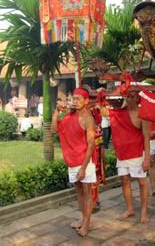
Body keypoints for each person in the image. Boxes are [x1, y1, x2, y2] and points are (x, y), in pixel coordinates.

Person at [100, 90, 150, 223]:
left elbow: (146, 137)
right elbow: (103, 111)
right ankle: (130, 209)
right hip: (122, 153)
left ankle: (144, 211)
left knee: (142, 182)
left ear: (137, 98)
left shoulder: (142, 115)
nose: (129, 99)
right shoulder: (119, 112)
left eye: (132, 97)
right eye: (127, 96)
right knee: (125, 181)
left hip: (137, 153)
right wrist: (101, 96)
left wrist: (147, 158)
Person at [51, 88, 96, 237]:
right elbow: (53, 130)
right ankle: (83, 218)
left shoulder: (88, 118)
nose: (75, 102)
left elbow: (91, 145)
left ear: (86, 101)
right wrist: (57, 111)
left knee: (87, 191)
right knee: (78, 190)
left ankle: (87, 223)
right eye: (73, 99)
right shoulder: (69, 116)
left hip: (85, 160)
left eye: (78, 99)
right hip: (72, 160)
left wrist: (83, 168)